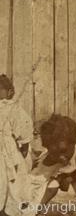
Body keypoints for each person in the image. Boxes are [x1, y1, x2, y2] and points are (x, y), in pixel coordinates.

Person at [0, 74, 34, 216]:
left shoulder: (14, 110)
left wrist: (22, 154)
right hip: (6, 152)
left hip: (8, 152)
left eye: (1, 88)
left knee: (13, 186)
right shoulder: (13, 109)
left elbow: (24, 136)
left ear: (10, 91)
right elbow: (24, 140)